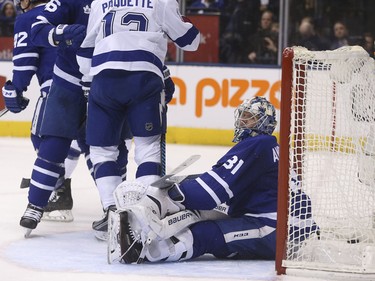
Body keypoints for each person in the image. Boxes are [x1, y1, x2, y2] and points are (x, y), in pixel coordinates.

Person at [108, 96, 319, 264]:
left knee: (205, 235)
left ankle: (141, 253)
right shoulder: (270, 148)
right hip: (289, 227)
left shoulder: (259, 144)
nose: (243, 121)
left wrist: (171, 195)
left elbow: (210, 193)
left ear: (265, 124)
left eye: (251, 117)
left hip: (274, 229)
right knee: (206, 217)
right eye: (243, 115)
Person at [76, 0, 200, 237]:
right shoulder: (162, 2)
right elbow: (191, 42)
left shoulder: (100, 2)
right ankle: (144, 212)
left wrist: (87, 81)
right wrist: (182, 20)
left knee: (102, 150)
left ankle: (111, 212)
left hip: (104, 78)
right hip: (144, 78)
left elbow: (85, 51)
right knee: (147, 147)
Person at [14, 0, 129, 237]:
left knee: (109, 147)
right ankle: (36, 204)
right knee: (54, 144)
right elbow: (37, 28)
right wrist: (61, 33)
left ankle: (118, 208)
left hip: (105, 81)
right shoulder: (69, 1)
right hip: (68, 82)